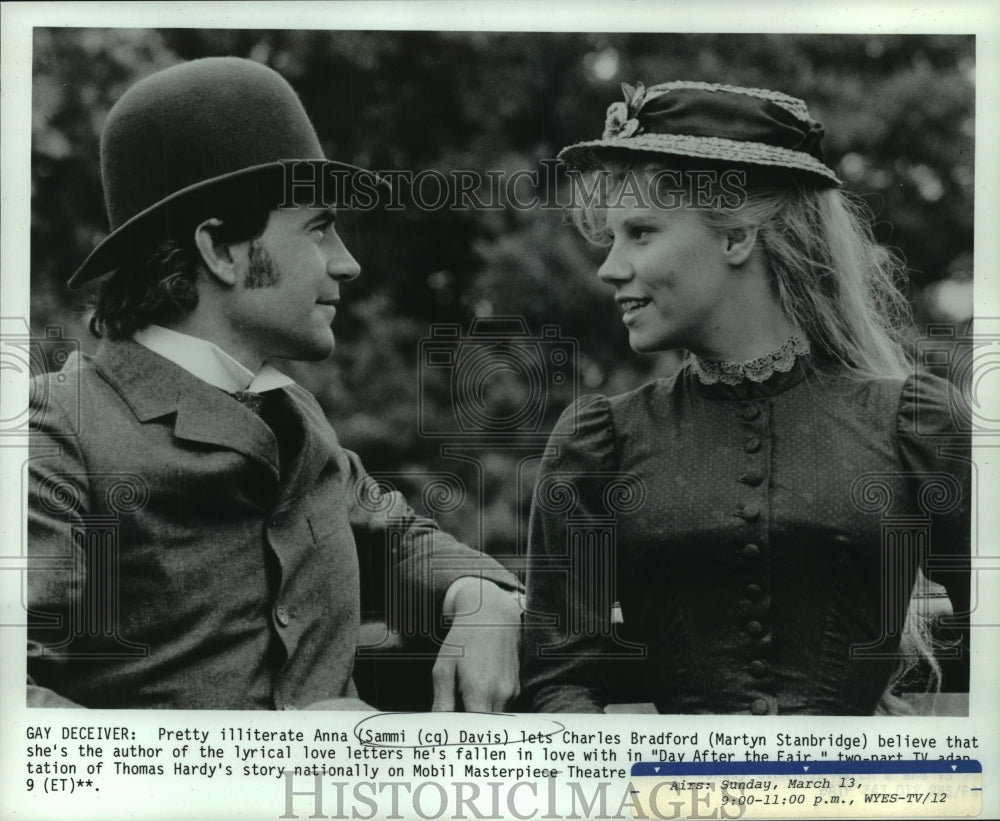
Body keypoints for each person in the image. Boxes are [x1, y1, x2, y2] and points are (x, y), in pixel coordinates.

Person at [27, 57, 522, 711]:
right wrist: (273, 758)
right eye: (318, 227)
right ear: (222, 251)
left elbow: (398, 538)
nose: (348, 263)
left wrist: (485, 599)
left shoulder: (292, 414)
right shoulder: (59, 426)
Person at [520, 81, 971, 715]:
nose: (609, 267)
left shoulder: (916, 424)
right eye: (613, 237)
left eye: (641, 232)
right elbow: (558, 682)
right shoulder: (599, 443)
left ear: (735, 238)